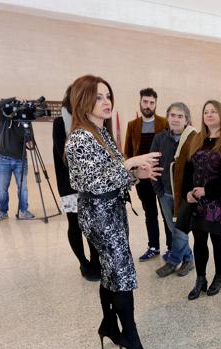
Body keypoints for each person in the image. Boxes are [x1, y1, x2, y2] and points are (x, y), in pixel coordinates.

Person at [65, 75, 162, 349]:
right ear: (83, 101)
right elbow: (92, 182)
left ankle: (109, 324)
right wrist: (130, 162)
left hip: (112, 212)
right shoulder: (79, 139)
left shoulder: (102, 132)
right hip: (99, 216)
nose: (106, 101)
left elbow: (114, 176)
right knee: (122, 274)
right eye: (98, 96)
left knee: (111, 271)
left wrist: (136, 175)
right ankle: (131, 338)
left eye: (108, 96)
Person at [183, 100, 221, 300]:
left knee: (217, 239)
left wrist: (206, 190)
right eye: (206, 111)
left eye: (213, 111)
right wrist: (188, 193)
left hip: (218, 199)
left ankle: (219, 276)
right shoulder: (197, 139)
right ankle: (200, 279)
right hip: (197, 200)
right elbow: (187, 169)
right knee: (199, 239)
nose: (209, 114)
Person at [52, 84, 101, 281]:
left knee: (92, 224)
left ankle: (96, 260)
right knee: (75, 224)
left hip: (90, 184)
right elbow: (63, 155)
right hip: (69, 185)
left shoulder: (91, 122)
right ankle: (83, 262)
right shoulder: (59, 123)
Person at [124, 87, 171, 262]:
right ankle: (153, 246)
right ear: (140, 102)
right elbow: (128, 151)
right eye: (145, 102)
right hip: (142, 178)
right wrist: (135, 171)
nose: (148, 105)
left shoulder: (164, 123)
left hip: (161, 176)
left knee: (166, 213)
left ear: (156, 104)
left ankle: (171, 247)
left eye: (152, 102)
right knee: (150, 213)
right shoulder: (132, 125)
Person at [152, 102, 196, 278]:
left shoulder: (193, 138)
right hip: (165, 194)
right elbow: (153, 166)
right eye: (173, 115)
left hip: (184, 195)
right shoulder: (160, 139)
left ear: (186, 120)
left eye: (180, 116)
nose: (176, 119)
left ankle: (173, 261)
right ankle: (188, 259)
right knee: (173, 229)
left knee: (180, 229)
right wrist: (159, 191)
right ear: (167, 117)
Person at [0, 97, 36, 222]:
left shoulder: (25, 121)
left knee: (23, 188)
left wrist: (27, 128)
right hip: (3, 160)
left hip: (21, 160)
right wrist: (15, 99)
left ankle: (24, 211)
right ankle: (2, 211)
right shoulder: (5, 119)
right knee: (2, 188)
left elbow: (31, 145)